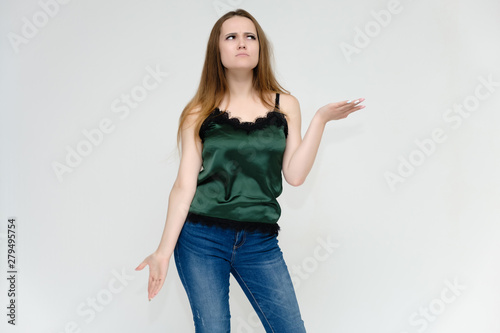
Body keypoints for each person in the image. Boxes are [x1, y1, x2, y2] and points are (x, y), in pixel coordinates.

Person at [136, 9, 365, 332]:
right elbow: (184, 187)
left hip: (259, 240)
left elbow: (295, 175)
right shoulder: (199, 111)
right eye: (231, 37)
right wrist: (162, 252)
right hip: (201, 239)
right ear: (218, 51)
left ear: (260, 48)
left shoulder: (285, 105)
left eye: (250, 36)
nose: (242, 43)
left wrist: (320, 120)